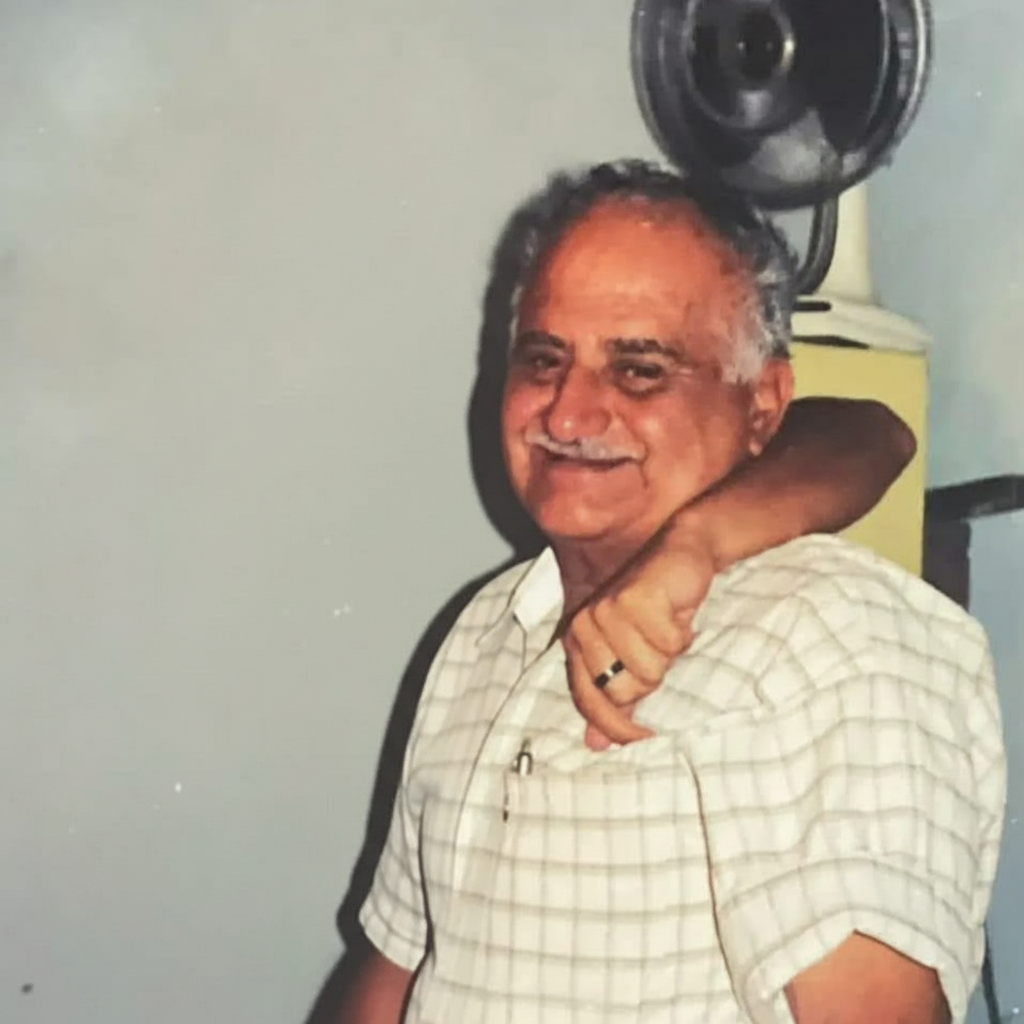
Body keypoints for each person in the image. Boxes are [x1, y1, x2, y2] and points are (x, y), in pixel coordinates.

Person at [335, 162, 1005, 1023]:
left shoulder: (829, 638)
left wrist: (696, 545)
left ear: (764, 406)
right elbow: (396, 972)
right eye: (543, 359)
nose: (568, 414)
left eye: (639, 370)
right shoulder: (485, 631)